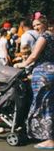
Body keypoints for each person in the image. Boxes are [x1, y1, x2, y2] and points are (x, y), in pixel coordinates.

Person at [14, 14, 54, 149]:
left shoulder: (44, 37)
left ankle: (50, 139)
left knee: (44, 105)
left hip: (43, 74)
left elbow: (34, 55)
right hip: (51, 72)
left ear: (45, 23)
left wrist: (23, 64)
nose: (36, 27)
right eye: (34, 25)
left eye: (38, 24)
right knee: (50, 105)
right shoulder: (52, 36)